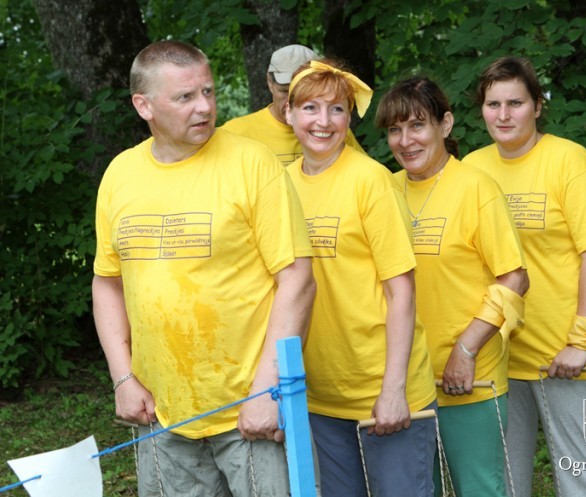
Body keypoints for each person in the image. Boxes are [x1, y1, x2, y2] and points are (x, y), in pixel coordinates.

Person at [92, 40, 317, 497]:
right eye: (185, 97)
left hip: (250, 410)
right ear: (143, 106)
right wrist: (123, 378)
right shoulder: (119, 174)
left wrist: (267, 389)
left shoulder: (253, 163)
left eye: (208, 92)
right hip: (161, 413)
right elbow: (107, 282)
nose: (204, 107)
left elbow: (297, 278)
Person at [464, 56, 586, 497]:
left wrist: (581, 340)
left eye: (515, 103)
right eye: (493, 104)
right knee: (503, 482)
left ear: (537, 105)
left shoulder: (572, 161)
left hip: (567, 357)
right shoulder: (471, 167)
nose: (503, 114)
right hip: (497, 357)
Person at [285, 59, 438, 497]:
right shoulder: (279, 185)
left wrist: (393, 390)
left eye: (337, 109)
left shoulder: (371, 181)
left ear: (349, 118)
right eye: (310, 108)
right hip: (318, 394)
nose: (323, 121)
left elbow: (401, 291)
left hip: (383, 391)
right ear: (289, 114)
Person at [375, 77, 529, 497]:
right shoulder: (384, 189)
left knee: (478, 489)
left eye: (417, 125)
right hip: (405, 380)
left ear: (445, 124)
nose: (405, 140)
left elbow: (515, 277)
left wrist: (466, 349)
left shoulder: (476, 187)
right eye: (394, 129)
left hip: (468, 379)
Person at [222, 44, 364, 165]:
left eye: (305, 95)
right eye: (285, 91)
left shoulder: (333, 132)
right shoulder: (236, 133)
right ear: (270, 82)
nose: (292, 101)